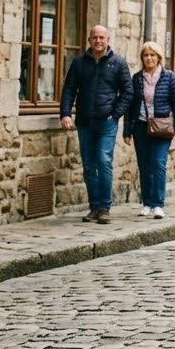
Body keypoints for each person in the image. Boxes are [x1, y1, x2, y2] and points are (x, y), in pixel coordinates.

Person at [59, 25, 132, 225]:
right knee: (89, 166)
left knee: (103, 161)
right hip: (84, 121)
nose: (98, 41)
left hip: (106, 122)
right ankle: (94, 207)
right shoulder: (79, 63)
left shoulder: (118, 63)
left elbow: (128, 92)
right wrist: (65, 113)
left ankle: (105, 208)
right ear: (89, 40)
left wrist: (115, 115)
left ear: (108, 39)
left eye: (102, 37)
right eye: (94, 38)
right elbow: (69, 89)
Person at [123, 40, 175, 218]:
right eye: (145, 55)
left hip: (162, 127)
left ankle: (158, 204)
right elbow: (130, 107)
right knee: (144, 165)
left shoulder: (169, 77)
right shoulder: (136, 79)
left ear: (158, 58)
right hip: (141, 127)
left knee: (158, 164)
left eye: (152, 55)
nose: (149, 58)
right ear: (142, 58)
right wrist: (127, 131)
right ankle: (147, 203)